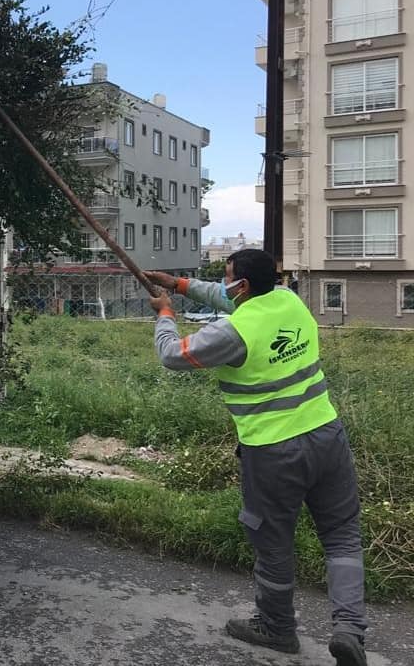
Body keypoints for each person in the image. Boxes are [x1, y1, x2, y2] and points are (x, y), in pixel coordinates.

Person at [146, 249, 367, 666]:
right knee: (341, 537)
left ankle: (277, 628)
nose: (224, 285)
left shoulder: (234, 332)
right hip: (327, 435)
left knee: (272, 541)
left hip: (273, 452)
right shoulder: (289, 300)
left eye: (228, 278)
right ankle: (349, 630)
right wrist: (178, 284)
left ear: (242, 286)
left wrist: (165, 313)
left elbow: (172, 356)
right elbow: (221, 295)